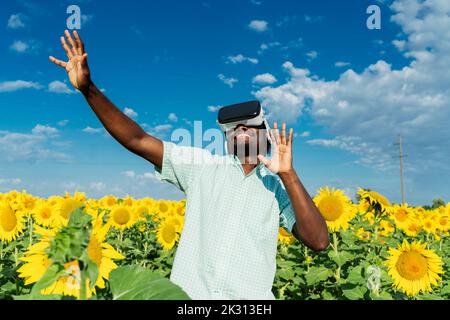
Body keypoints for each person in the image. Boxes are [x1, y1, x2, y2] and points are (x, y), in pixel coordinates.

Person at [49, 30, 330, 300]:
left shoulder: (277, 188)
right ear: (227, 136)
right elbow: (138, 140)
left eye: (249, 125)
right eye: (235, 127)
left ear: (265, 133)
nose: (241, 130)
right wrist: (89, 90)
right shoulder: (202, 168)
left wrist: (289, 176)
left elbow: (318, 241)